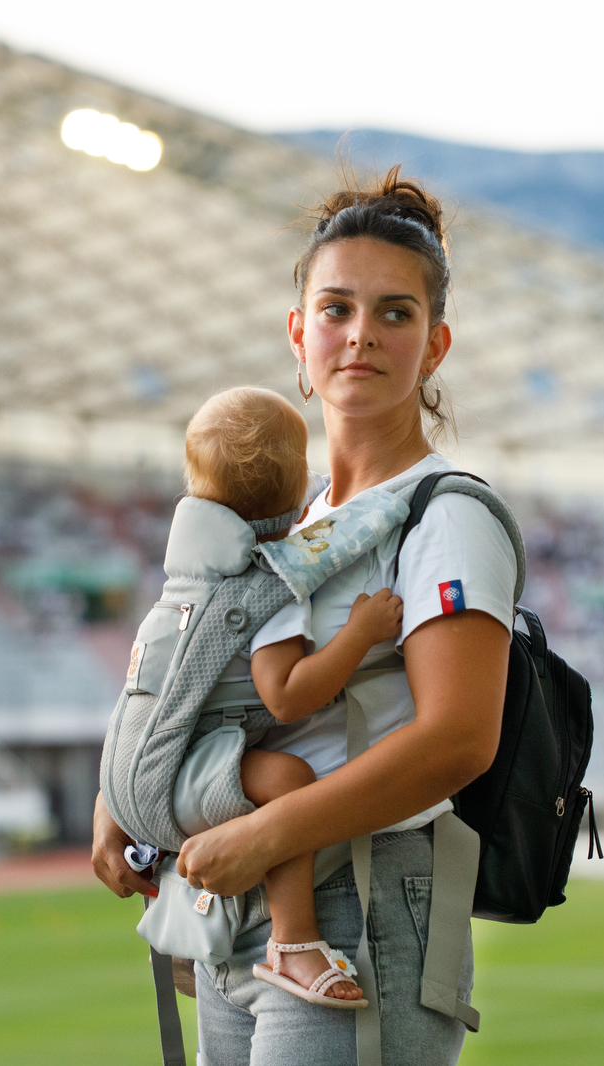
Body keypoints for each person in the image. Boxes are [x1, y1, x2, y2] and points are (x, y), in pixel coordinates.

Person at [93, 168, 515, 1065]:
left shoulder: (448, 514)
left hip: (358, 902)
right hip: (235, 900)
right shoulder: (296, 521)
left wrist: (261, 835)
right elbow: (208, 669)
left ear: (434, 347)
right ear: (299, 333)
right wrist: (121, 789)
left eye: (396, 314)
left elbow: (457, 741)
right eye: (337, 309)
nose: (362, 334)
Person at [173, 385, 410, 1007]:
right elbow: (284, 697)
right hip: (201, 765)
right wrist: (359, 634)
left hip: (165, 757)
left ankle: (182, 938)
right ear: (296, 498)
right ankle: (295, 941)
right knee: (289, 781)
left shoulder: (189, 575)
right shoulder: (266, 581)